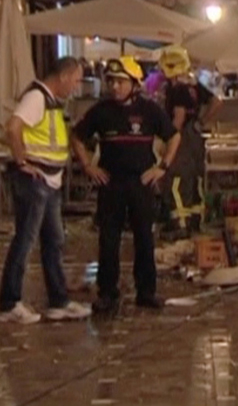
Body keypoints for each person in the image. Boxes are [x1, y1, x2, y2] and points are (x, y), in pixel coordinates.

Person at [72, 56, 181, 314]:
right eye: (111, 82)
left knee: (145, 238)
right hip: (111, 183)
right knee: (109, 240)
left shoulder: (150, 110)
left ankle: (146, 292)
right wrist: (88, 166)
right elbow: (77, 136)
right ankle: (108, 293)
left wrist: (162, 167)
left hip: (141, 183)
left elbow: (174, 136)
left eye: (121, 82)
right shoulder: (101, 111)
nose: (115, 87)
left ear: (134, 83)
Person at [0, 57, 92, 324]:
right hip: (34, 181)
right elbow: (13, 128)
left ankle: (58, 301)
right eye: (75, 80)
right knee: (25, 241)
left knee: (54, 241)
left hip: (50, 180)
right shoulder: (37, 97)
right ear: (63, 76)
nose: (75, 87)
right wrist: (21, 162)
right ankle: (9, 303)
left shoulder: (52, 101)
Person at [157, 46, 222, 240]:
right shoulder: (195, 86)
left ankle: (179, 224)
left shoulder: (176, 89)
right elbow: (218, 101)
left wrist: (168, 140)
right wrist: (201, 123)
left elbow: (178, 117)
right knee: (195, 180)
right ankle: (196, 222)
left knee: (175, 180)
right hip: (195, 136)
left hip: (182, 138)